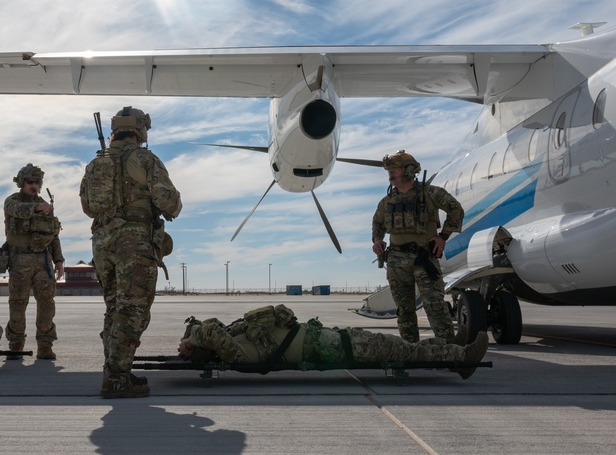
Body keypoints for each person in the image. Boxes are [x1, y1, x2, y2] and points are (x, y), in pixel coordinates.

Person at [80, 106, 182, 398]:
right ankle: (117, 378)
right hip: (134, 242)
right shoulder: (144, 159)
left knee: (114, 309)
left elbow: (88, 207)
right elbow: (168, 201)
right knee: (133, 311)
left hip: (102, 243)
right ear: (140, 131)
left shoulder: (96, 164)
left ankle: (114, 371)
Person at [178, 304, 488, 380]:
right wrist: (193, 339)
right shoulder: (235, 355)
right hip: (333, 348)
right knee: (398, 350)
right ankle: (461, 359)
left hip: (331, 337)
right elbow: (210, 331)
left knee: (396, 345)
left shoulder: (233, 336)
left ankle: (454, 349)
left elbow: (213, 326)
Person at [371, 150, 464, 344]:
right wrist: (377, 240)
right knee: (404, 311)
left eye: (393, 170)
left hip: (424, 258)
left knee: (435, 306)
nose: (390, 174)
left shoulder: (430, 193)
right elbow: (377, 223)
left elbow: (456, 209)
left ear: (409, 170)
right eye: (388, 171)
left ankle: (448, 350)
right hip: (396, 260)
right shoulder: (387, 201)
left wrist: (443, 237)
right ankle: (410, 350)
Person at [3, 163, 64, 358]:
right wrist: (38, 208)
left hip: (43, 261)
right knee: (18, 302)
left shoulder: (45, 206)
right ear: (22, 182)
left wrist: (59, 260)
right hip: (20, 259)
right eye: (30, 182)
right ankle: (16, 344)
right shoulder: (12, 201)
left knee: (47, 303)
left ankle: (45, 345)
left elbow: (54, 235)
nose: (34, 185)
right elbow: (17, 209)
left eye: (37, 182)